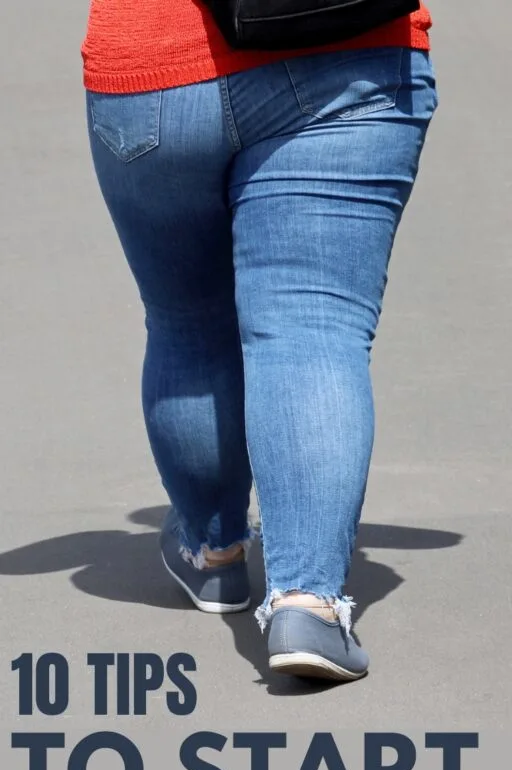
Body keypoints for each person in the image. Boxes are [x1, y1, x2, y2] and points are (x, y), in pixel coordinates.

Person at [82, 1, 437, 683]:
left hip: (155, 64)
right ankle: (308, 604)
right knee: (312, 328)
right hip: (348, 53)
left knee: (186, 320)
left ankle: (213, 553)